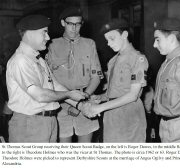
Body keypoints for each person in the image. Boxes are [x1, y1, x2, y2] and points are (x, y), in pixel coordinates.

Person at [6, 14, 86, 142]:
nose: (48, 37)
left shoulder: (38, 59)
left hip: (48, 122)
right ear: (30, 34)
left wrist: (81, 105)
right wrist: (69, 94)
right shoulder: (21, 60)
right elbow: (40, 95)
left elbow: (55, 85)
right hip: (30, 124)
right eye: (44, 33)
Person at [82, 19, 148, 142]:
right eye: (107, 40)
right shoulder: (113, 61)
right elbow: (113, 92)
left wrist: (99, 108)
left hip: (129, 116)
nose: (108, 44)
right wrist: (98, 98)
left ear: (125, 35)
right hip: (111, 116)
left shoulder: (137, 59)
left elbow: (133, 95)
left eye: (112, 39)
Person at [46, 7, 103, 142]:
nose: (74, 28)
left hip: (85, 100)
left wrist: (82, 101)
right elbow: (49, 80)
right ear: (63, 23)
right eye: (70, 24)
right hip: (61, 104)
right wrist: (73, 102)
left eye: (78, 24)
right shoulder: (52, 45)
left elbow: (96, 77)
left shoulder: (89, 44)